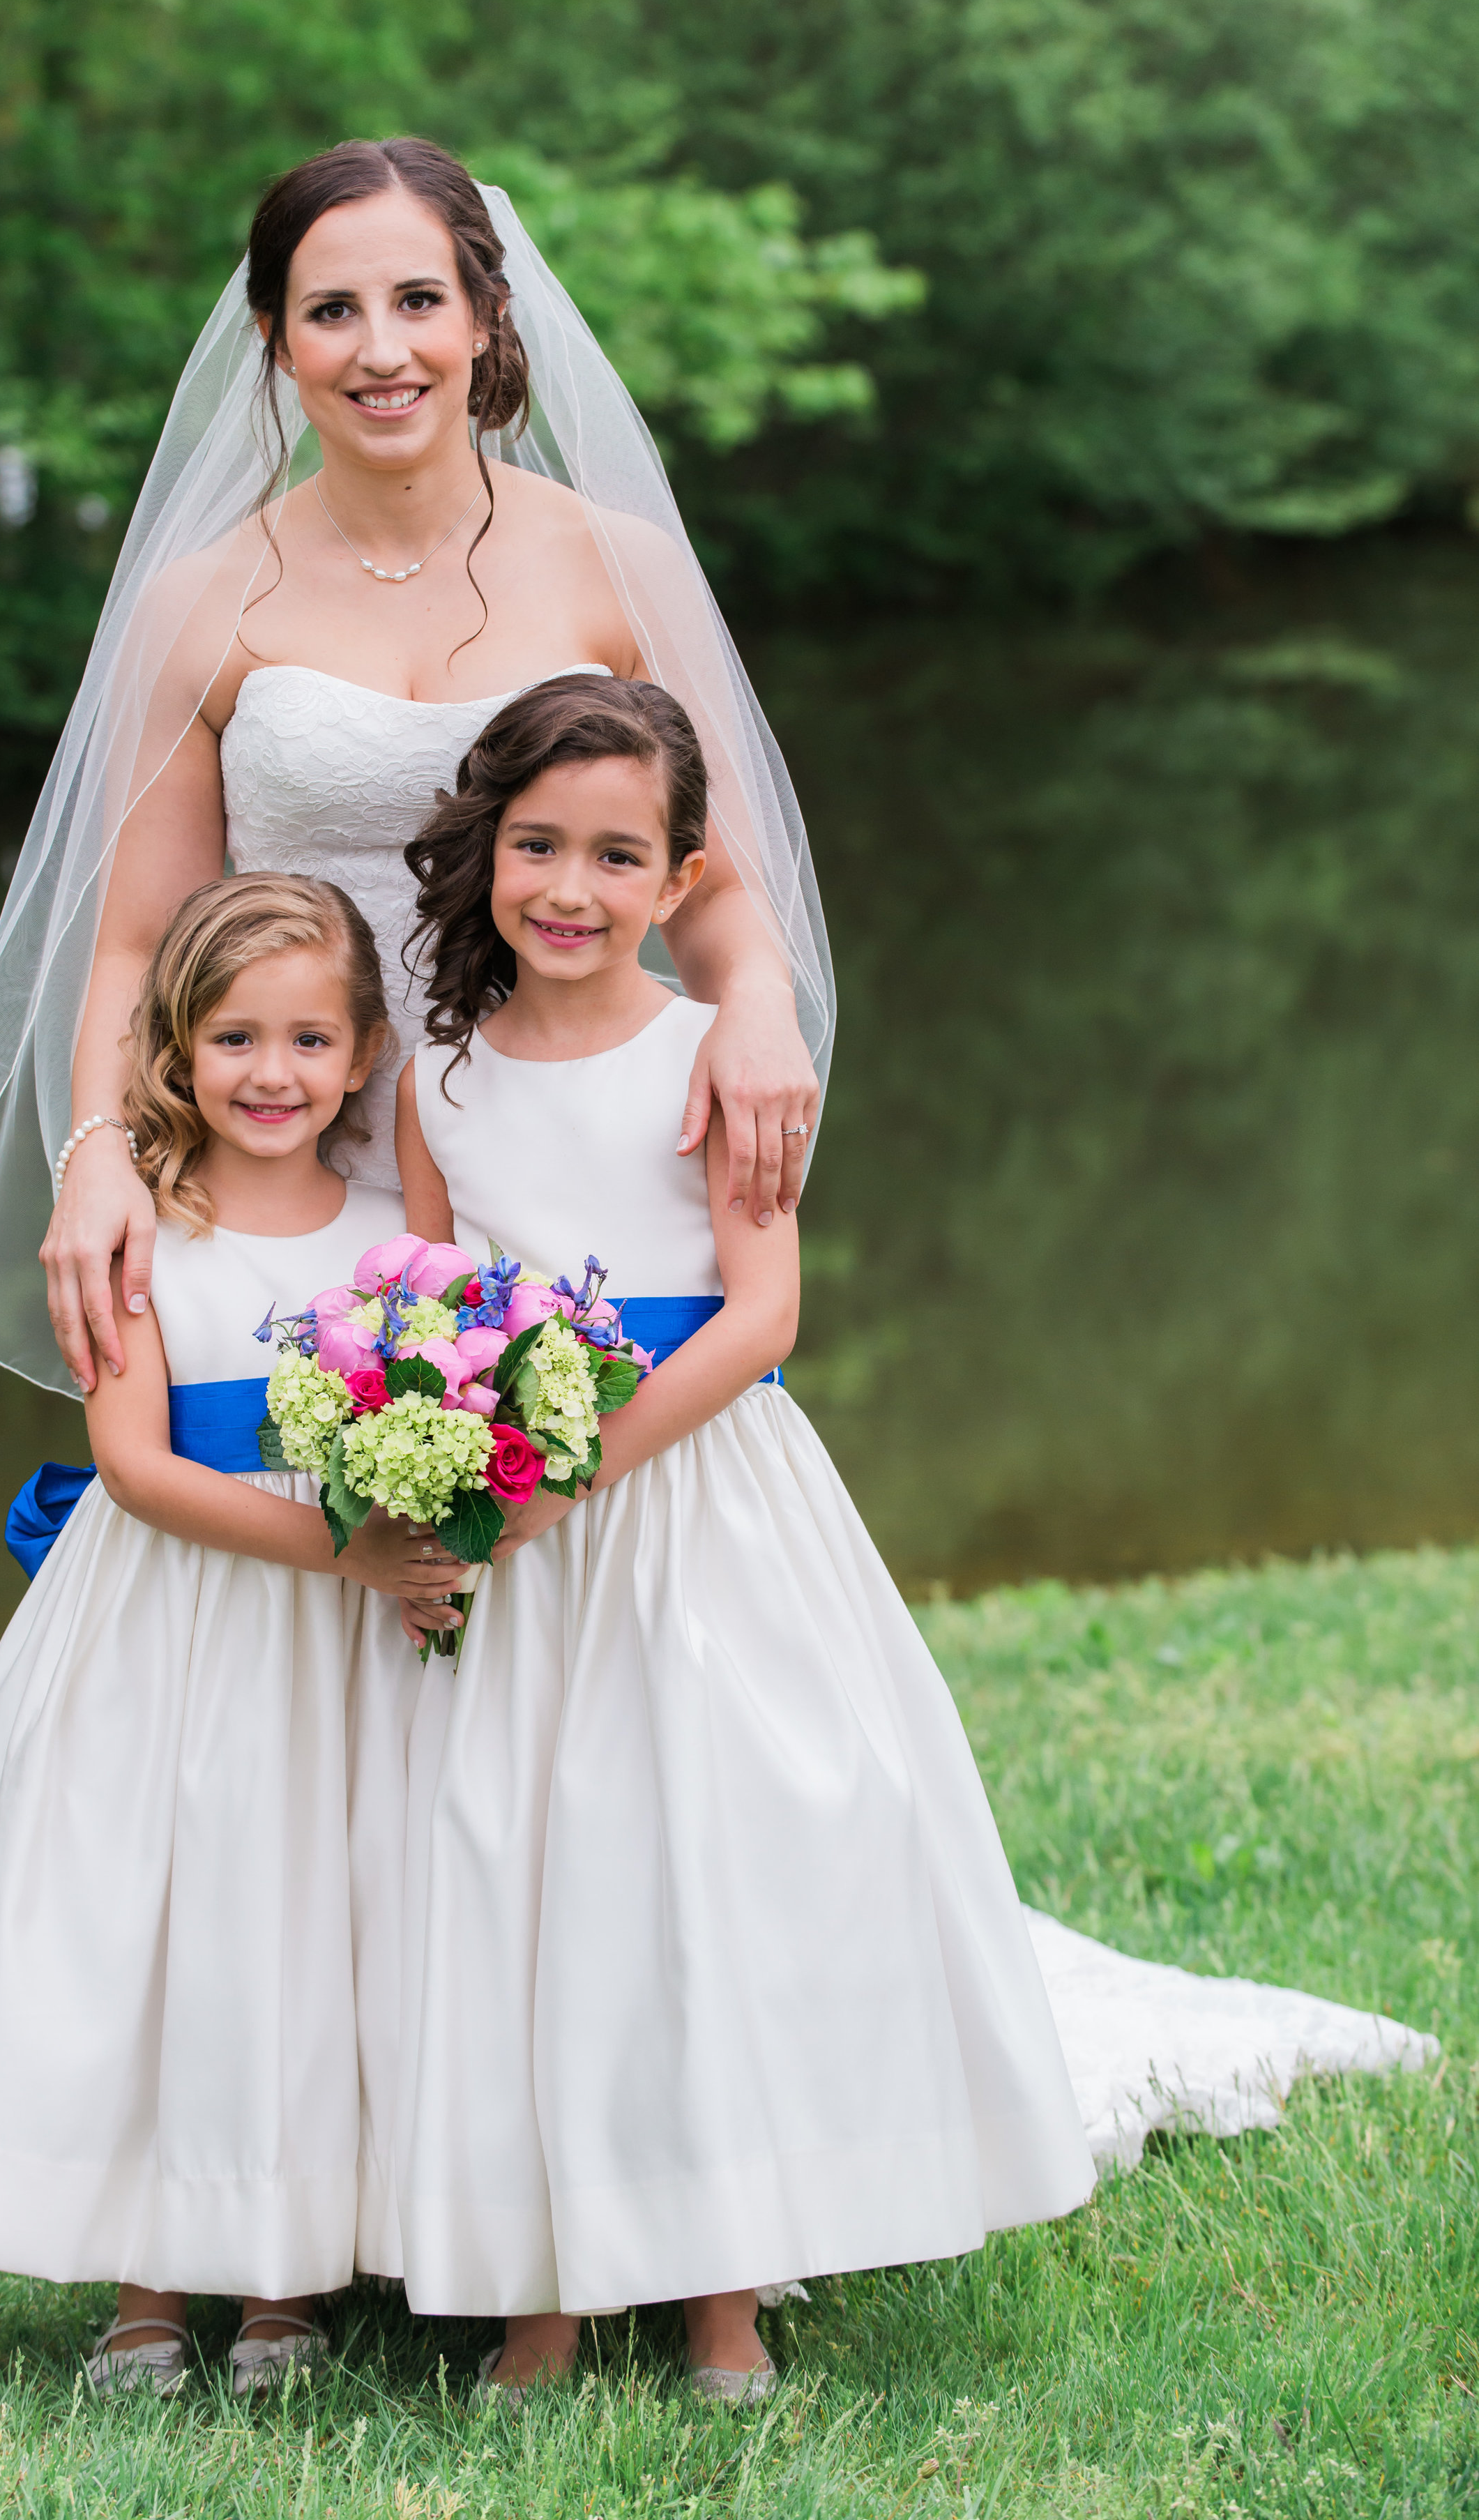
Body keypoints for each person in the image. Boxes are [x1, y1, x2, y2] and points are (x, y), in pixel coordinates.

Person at [389, 674, 1098, 2400]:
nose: (569, 888)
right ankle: (533, 2286)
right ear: (483, 849)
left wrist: (575, 1464)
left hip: (688, 1499)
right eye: (536, 845)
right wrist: (449, 1476)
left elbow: (761, 1312)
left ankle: (724, 2286)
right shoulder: (436, 1081)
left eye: (616, 856)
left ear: (682, 875)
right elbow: (417, 1298)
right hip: (515, 1536)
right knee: (518, 1876)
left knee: (701, 1861)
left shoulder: (718, 1056)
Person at [0, 135, 830, 1409]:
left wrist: (754, 1009)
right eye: (331, 312)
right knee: (315, 1542)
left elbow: (721, 887)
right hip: (285, 1135)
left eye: (418, 300)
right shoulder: (197, 605)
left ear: (487, 315)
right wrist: (98, 1156)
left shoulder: (620, 565)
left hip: (559, 1135)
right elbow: (140, 941)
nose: (382, 350)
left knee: (580, 1520)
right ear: (275, 339)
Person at [0, 876, 461, 2395]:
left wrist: (403, 1548)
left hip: (344, 1663)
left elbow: (438, 1404)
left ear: (361, 1057)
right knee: (176, 1928)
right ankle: (153, 2277)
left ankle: (289, 2275)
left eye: (306, 1038)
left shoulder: (397, 1236)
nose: (269, 1072)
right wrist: (338, 1551)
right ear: (176, 1048)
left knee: (321, 1927)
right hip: (189, 1624)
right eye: (232, 1037)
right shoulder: (145, 1228)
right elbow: (140, 1467)